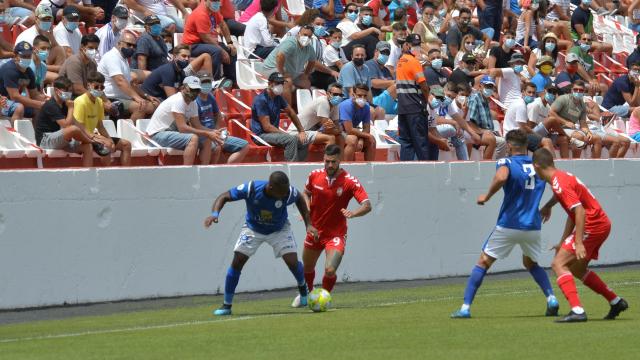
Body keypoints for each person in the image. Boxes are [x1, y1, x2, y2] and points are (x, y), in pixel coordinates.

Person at [451, 129, 559, 318]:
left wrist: (487, 195)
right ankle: (551, 298)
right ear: (526, 145)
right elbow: (560, 186)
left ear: (509, 145)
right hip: (533, 225)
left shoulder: (505, 161)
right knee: (531, 263)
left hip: (509, 224)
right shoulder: (538, 164)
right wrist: (548, 206)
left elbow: (501, 177)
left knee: (483, 262)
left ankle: (465, 308)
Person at [532, 148, 629, 322]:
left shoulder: (558, 183)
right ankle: (616, 301)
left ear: (537, 166)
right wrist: (549, 207)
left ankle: (577, 311)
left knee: (558, 264)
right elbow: (573, 212)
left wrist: (578, 243)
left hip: (593, 224)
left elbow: (580, 212)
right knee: (576, 268)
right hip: (599, 223)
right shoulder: (562, 177)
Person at [204, 171, 317, 315]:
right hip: (253, 229)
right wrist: (215, 214)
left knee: (292, 262)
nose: (284, 196)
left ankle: (303, 292)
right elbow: (224, 196)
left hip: (279, 229)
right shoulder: (251, 188)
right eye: (281, 193)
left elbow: (300, 199)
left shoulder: (287, 192)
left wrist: (308, 224)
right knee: (238, 261)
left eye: (285, 192)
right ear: (270, 188)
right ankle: (226, 305)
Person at [290, 144, 371, 307]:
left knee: (330, 270)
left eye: (333, 162)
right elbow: (306, 193)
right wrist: (306, 209)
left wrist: (353, 213)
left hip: (336, 234)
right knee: (307, 268)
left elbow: (367, 205)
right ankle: (307, 295)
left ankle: (324, 297)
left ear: (339, 161)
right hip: (314, 231)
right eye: (327, 161)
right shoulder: (314, 175)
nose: (329, 165)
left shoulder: (349, 181)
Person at [35, 76, 111, 167]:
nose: (68, 93)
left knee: (87, 146)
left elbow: (77, 123)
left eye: (70, 91)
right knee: (73, 129)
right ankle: (94, 143)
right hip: (45, 139)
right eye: (66, 90)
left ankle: (87, 175)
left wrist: (91, 136)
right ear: (56, 90)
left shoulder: (65, 104)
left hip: (61, 139)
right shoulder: (51, 105)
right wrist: (71, 108)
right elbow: (66, 126)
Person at [146, 76, 223, 165]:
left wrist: (214, 132)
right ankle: (187, 172)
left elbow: (197, 126)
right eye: (192, 89)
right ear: (183, 88)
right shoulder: (178, 100)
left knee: (207, 139)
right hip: (157, 135)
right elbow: (182, 128)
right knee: (193, 138)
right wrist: (207, 133)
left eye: (197, 90)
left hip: (171, 133)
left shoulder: (193, 104)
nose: (194, 92)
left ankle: (204, 170)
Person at [73, 71, 132, 166]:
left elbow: (100, 126)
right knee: (107, 145)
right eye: (96, 87)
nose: (99, 89)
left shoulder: (99, 102)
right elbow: (79, 126)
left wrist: (109, 139)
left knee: (126, 145)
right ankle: (106, 173)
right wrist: (99, 138)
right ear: (89, 85)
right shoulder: (80, 102)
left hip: (92, 135)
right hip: (81, 137)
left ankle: (126, 174)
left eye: (102, 87)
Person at [98, 32, 158, 121]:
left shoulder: (123, 58)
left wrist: (146, 96)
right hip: (110, 97)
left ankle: (140, 130)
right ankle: (128, 133)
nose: (132, 48)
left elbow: (130, 84)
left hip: (123, 97)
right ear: (119, 43)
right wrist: (137, 98)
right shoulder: (112, 57)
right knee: (141, 107)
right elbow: (120, 81)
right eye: (129, 45)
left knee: (155, 104)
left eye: (134, 46)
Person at [251, 72, 309, 162]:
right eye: (277, 83)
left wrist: (301, 131)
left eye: (282, 83)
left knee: (304, 140)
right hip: (260, 136)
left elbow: (291, 113)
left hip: (273, 134)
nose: (280, 86)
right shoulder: (261, 100)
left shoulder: (278, 97)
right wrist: (285, 135)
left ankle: (299, 167)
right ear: (269, 84)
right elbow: (267, 127)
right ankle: (291, 169)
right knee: (291, 140)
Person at [195, 73, 249, 164]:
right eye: (204, 82)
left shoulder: (211, 97)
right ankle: (209, 172)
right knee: (216, 147)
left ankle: (227, 169)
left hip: (215, 133)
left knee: (245, 145)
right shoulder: (195, 101)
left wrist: (216, 129)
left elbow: (217, 115)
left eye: (208, 82)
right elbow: (195, 125)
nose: (206, 84)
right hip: (203, 135)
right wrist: (211, 133)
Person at [396, 33, 435, 161]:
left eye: (418, 45)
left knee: (406, 143)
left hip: (403, 108)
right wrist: (428, 100)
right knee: (421, 142)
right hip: (415, 108)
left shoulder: (400, 61)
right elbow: (423, 85)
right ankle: (426, 173)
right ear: (406, 45)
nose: (416, 47)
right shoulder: (414, 62)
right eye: (414, 45)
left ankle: (405, 174)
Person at [182, 0, 236, 85]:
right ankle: (215, 81)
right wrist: (222, 51)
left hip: (204, 42)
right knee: (217, 51)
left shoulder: (214, 11)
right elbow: (206, 37)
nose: (216, 3)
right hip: (192, 45)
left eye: (218, 1)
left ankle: (231, 81)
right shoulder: (201, 14)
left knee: (231, 50)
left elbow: (223, 25)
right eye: (213, 1)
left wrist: (230, 42)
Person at [140, 44, 213, 100]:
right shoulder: (168, 71)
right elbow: (172, 99)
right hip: (149, 98)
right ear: (175, 57)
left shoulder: (181, 71)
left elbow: (183, 89)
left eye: (188, 56)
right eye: (184, 56)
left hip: (161, 97)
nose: (187, 59)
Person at [287, 82, 344, 148]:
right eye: (335, 94)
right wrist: (339, 129)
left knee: (340, 138)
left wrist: (338, 129)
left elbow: (336, 124)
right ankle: (329, 158)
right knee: (330, 138)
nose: (338, 97)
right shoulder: (323, 102)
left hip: (311, 131)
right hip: (297, 132)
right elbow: (328, 129)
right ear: (328, 94)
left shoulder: (335, 104)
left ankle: (340, 159)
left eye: (341, 95)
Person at [0, 41, 46, 120]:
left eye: (29, 56)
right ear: (15, 55)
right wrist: (39, 103)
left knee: (39, 109)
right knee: (19, 108)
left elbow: (34, 95)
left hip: (12, 102)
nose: (26, 58)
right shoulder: (9, 70)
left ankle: (37, 132)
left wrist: (48, 102)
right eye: (23, 56)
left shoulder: (29, 72)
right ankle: (14, 131)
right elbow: (15, 96)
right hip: (2, 101)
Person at [466, 75, 507, 160]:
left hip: (485, 131)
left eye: (491, 87)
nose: (489, 89)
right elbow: (469, 121)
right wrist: (482, 131)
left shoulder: (485, 99)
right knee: (499, 142)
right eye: (487, 86)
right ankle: (488, 166)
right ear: (480, 86)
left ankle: (497, 164)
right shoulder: (475, 99)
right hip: (475, 132)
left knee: (504, 141)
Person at [340, 83, 377, 161]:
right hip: (337, 131)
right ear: (353, 95)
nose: (362, 98)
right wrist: (366, 136)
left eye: (365, 96)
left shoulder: (366, 107)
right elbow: (349, 130)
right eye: (360, 95)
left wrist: (361, 140)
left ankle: (370, 171)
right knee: (353, 140)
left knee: (371, 141)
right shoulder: (346, 105)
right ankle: (346, 169)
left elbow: (366, 128)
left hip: (350, 132)